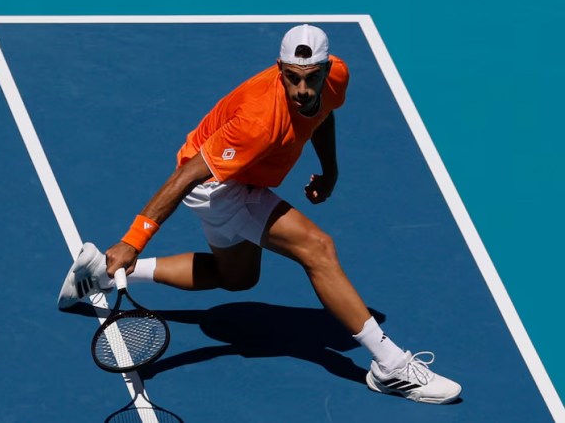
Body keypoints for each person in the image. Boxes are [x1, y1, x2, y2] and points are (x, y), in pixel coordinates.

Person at [57, 24, 462, 404]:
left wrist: (330, 169)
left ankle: (104, 274)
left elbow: (320, 113)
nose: (302, 89)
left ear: (326, 69)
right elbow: (186, 176)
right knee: (317, 248)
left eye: (312, 77)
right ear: (279, 69)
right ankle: (390, 367)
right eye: (291, 78)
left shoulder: (336, 77)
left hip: (242, 178)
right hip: (217, 185)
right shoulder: (257, 121)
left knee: (236, 278)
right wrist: (132, 239)